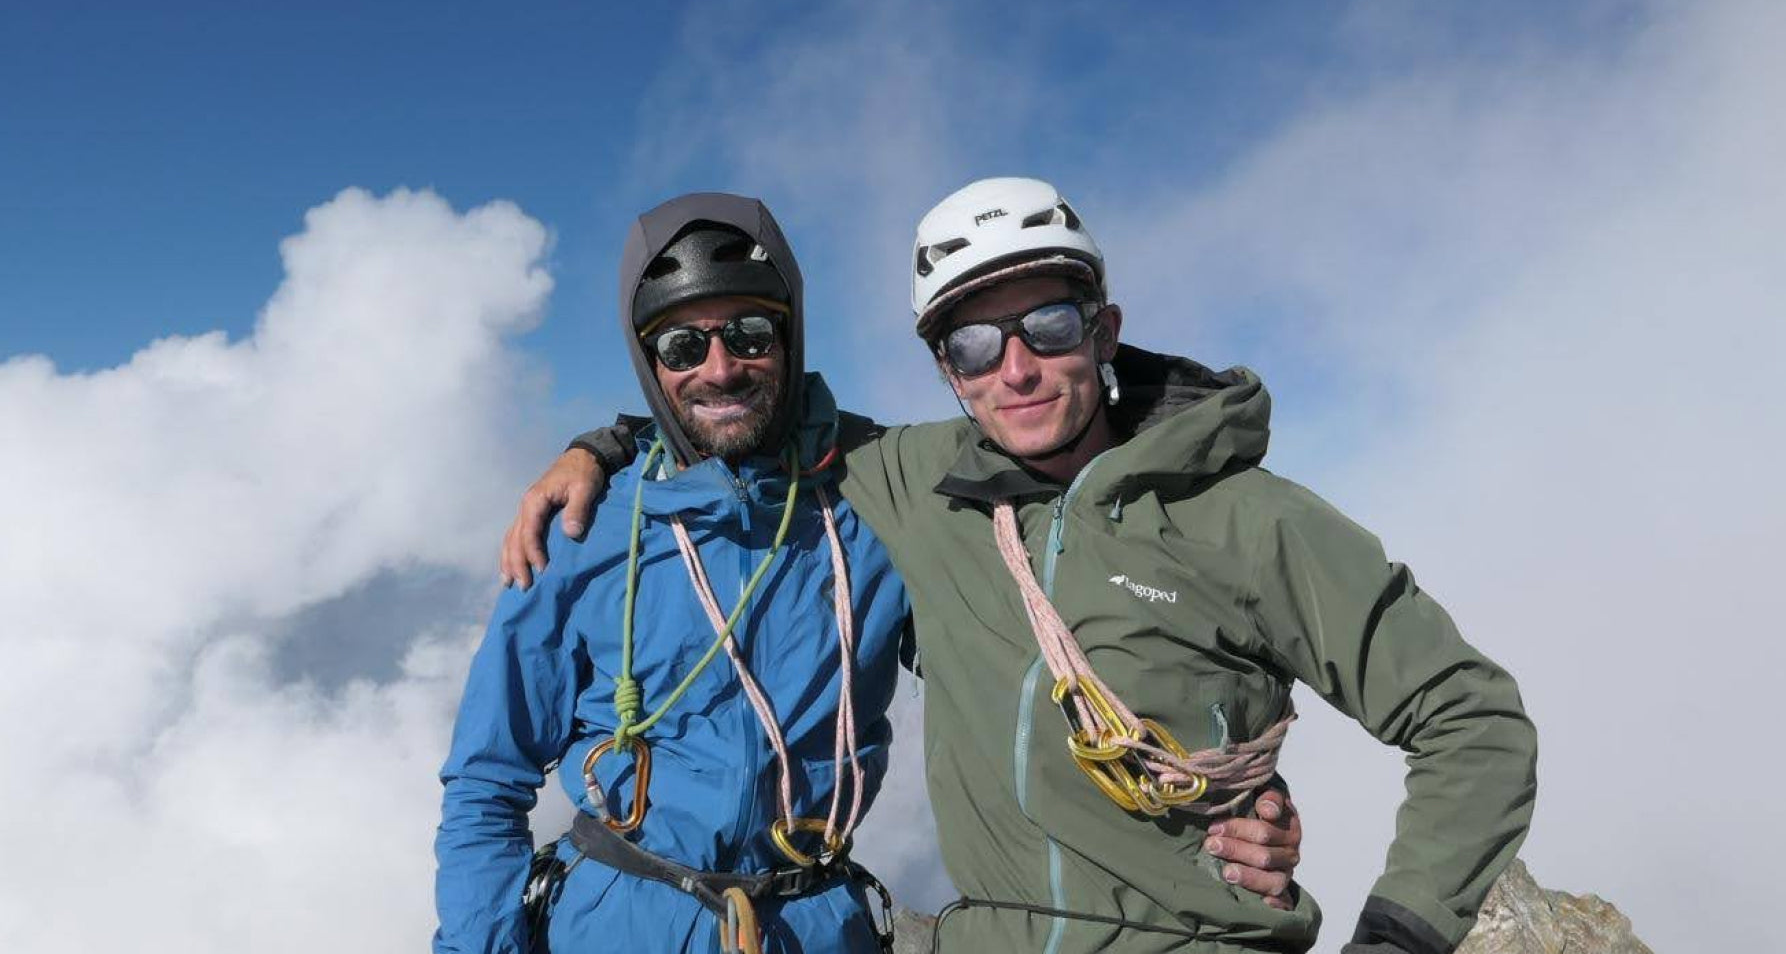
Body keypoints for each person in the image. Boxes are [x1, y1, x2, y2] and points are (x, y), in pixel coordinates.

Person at [521, 180, 1507, 954]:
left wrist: (1400, 933)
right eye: (974, 344)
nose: (1016, 369)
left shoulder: (1247, 522)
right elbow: (741, 410)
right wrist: (602, 446)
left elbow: (1471, 718)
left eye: (1046, 325)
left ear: (1103, 330)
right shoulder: (916, 478)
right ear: (946, 369)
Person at [435, 192, 913, 954]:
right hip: (616, 925)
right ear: (650, 365)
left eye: (750, 334)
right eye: (683, 348)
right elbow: (490, 777)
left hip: (815, 925)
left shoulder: (880, 509)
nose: (720, 369)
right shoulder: (585, 527)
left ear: (791, 340)